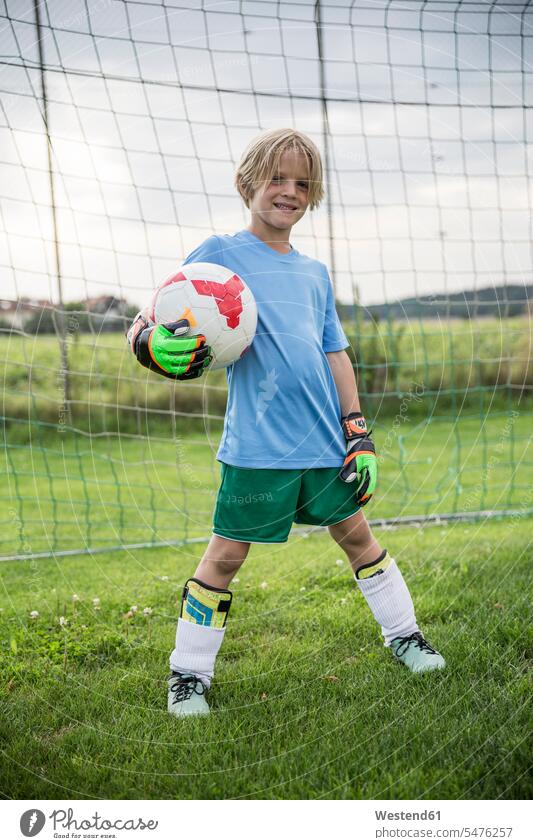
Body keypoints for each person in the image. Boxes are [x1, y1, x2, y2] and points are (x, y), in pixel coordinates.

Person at [127, 128, 445, 718]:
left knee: (358, 538)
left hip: (325, 441)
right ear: (248, 181)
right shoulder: (218, 254)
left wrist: (358, 430)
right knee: (226, 556)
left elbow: (334, 354)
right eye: (277, 177)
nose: (290, 191)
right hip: (257, 446)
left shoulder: (315, 273)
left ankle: (405, 636)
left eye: (303, 183)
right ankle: (188, 676)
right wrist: (147, 342)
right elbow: (152, 316)